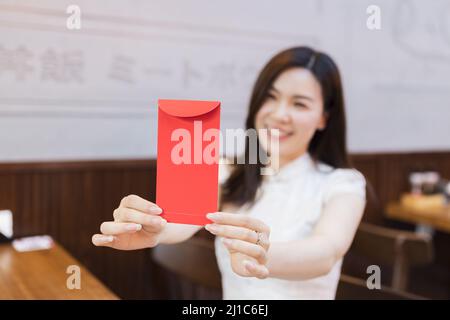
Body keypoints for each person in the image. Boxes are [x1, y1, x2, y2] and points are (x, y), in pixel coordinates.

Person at [92, 46, 366, 299]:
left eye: (300, 104)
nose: (280, 114)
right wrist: (153, 231)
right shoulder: (229, 171)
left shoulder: (343, 184)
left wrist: (260, 256)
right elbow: (181, 221)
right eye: (271, 97)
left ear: (324, 118)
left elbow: (326, 252)